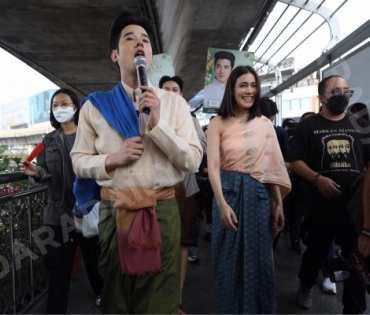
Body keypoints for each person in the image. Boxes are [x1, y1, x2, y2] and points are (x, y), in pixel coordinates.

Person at [70, 11, 202, 314]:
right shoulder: (94, 106)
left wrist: (158, 125)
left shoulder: (173, 104)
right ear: (115, 54)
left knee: (160, 300)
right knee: (117, 297)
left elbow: (193, 161)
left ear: (151, 56)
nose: (139, 44)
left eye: (145, 40)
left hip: (163, 209)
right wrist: (113, 159)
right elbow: (78, 161)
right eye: (130, 39)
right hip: (115, 210)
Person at [207, 65, 291, 314]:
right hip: (228, 195)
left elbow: (271, 168)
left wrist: (278, 203)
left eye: (254, 85)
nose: (249, 90)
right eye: (243, 85)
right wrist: (221, 203)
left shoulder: (264, 124)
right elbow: (212, 166)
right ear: (232, 89)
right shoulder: (217, 123)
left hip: (258, 197)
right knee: (228, 263)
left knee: (261, 263)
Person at [288, 75, 370, 312]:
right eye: (335, 91)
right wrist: (317, 178)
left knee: (355, 260)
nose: (341, 95)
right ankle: (306, 285)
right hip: (320, 207)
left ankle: (353, 309)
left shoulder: (359, 126)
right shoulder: (308, 126)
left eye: (346, 90)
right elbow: (295, 160)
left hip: (353, 209)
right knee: (315, 254)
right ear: (321, 96)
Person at [19, 88, 104, 314]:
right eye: (55, 105)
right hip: (57, 216)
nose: (59, 109)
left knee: (95, 262)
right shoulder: (48, 141)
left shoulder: (92, 135)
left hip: (89, 211)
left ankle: (101, 293)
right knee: (57, 270)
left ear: (75, 107)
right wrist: (36, 172)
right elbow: (44, 172)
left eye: (64, 103)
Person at [158, 74, 206, 312]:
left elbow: (200, 149)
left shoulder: (191, 118)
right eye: (165, 89)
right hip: (156, 190)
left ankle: (175, 300)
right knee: (156, 243)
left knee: (183, 243)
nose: (170, 93)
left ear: (181, 94)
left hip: (186, 188)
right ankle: (157, 297)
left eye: (174, 89)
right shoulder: (148, 116)